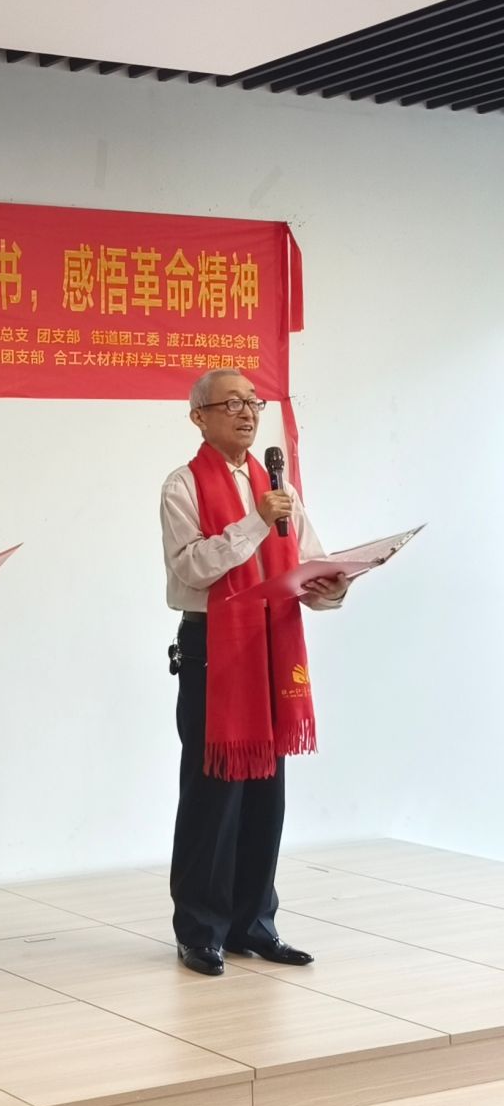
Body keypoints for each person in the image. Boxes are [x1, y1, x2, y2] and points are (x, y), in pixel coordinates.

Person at [163, 368, 348, 976]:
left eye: (253, 402)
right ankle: (201, 930)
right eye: (232, 403)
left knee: (267, 793)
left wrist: (332, 587)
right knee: (213, 791)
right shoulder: (183, 484)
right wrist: (255, 522)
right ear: (199, 417)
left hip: (274, 643)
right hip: (213, 646)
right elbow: (192, 568)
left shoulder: (278, 487)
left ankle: (254, 924)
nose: (246, 413)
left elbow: (308, 563)